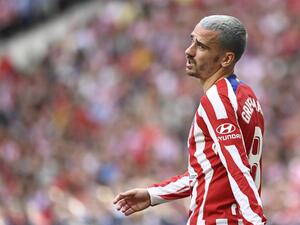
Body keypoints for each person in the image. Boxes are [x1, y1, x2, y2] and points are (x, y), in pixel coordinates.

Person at [113, 15, 267, 225]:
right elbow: (208, 172)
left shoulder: (217, 99)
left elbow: (237, 165)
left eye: (201, 46)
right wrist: (153, 195)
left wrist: (256, 220)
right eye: (192, 40)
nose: (189, 50)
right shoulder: (247, 96)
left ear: (226, 59)